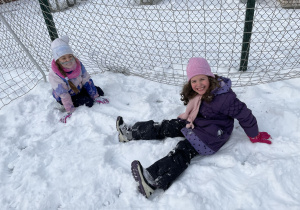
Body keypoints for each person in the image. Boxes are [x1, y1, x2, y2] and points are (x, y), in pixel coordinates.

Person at [116, 57, 272, 198]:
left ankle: (151, 180)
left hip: (211, 135)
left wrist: (254, 134)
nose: (198, 85)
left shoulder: (225, 99)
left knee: (182, 150)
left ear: (210, 77)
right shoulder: (198, 92)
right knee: (166, 126)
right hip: (196, 122)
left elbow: (244, 114)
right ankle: (130, 133)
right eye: (194, 81)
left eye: (202, 79)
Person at [48, 35, 109, 123]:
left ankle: (87, 96)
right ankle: (64, 105)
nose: (68, 60)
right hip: (65, 96)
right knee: (88, 102)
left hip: (77, 89)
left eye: (69, 56)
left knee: (99, 92)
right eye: (63, 58)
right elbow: (64, 94)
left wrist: (95, 96)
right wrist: (70, 110)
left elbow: (86, 80)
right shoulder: (55, 74)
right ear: (58, 60)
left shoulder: (77, 64)